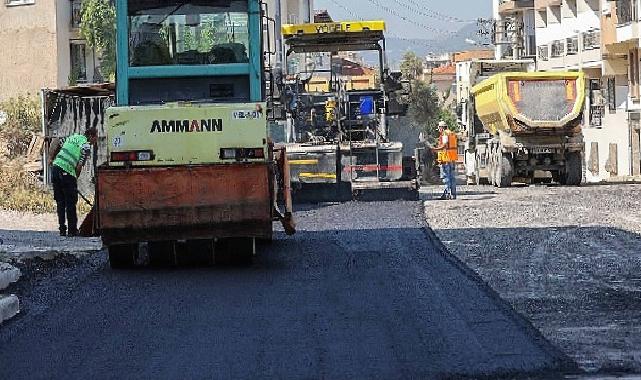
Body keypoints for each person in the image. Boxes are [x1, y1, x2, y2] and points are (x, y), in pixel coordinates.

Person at [48, 128, 98, 236]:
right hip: (67, 172)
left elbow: (56, 141)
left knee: (60, 202)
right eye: (95, 138)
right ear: (90, 136)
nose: (96, 141)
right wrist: (75, 177)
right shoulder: (86, 145)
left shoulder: (72, 137)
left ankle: (62, 230)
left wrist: (50, 158)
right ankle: (72, 231)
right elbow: (80, 165)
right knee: (71, 202)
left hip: (56, 169)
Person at [432, 121, 458, 200]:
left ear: (442, 127)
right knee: (452, 177)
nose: (439, 130)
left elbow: (445, 145)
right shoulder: (452, 133)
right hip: (452, 159)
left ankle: (447, 194)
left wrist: (435, 149)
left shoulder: (445, 134)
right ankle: (453, 195)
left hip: (446, 159)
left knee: (446, 177)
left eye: (439, 128)